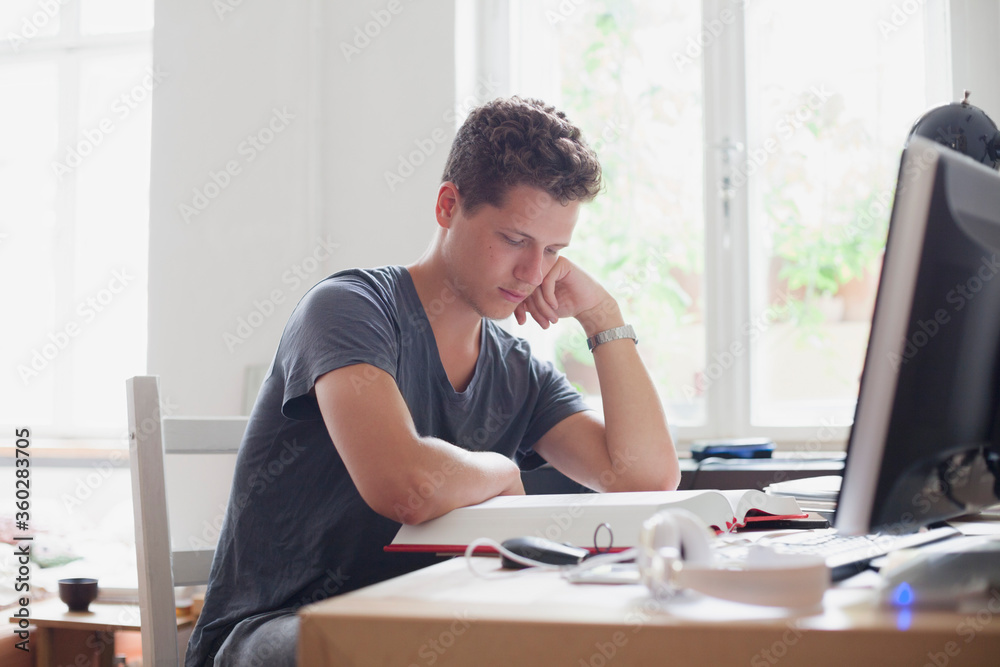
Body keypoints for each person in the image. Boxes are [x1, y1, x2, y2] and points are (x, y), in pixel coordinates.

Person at [185, 96, 679, 667]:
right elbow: (406, 485)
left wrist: (602, 316)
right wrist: (502, 470)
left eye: (553, 251)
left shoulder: (516, 369)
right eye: (514, 239)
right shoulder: (348, 309)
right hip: (277, 632)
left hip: (425, 624)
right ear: (448, 206)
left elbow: (645, 478)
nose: (532, 272)